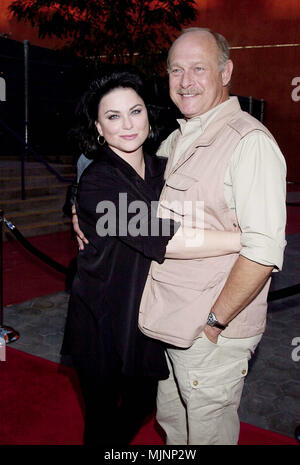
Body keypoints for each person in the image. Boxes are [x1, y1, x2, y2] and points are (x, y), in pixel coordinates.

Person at [63, 65, 241, 446]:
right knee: (101, 421)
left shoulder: (164, 169)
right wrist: (241, 240)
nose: (127, 124)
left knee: (145, 401)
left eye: (136, 110)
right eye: (113, 116)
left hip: (149, 315)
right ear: (98, 128)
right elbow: (164, 237)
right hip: (103, 320)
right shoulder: (98, 179)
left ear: (148, 113)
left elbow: (198, 210)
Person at [138, 28, 287, 445]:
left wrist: (214, 323)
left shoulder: (248, 142)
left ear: (226, 72)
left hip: (209, 333)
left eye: (198, 69)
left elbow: (263, 250)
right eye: (176, 70)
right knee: (175, 428)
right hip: (170, 322)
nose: (186, 81)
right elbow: (150, 219)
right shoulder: (176, 138)